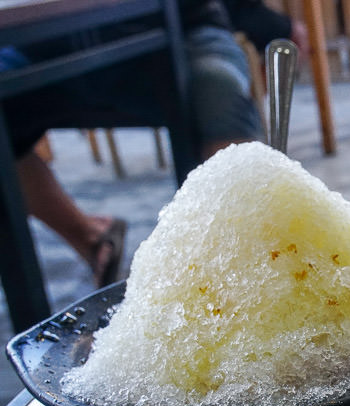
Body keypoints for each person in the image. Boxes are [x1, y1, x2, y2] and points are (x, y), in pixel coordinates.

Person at [3, 0, 304, 287]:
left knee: (218, 87)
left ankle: (253, 257)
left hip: (179, 31)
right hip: (52, 44)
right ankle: (91, 238)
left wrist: (271, 25)